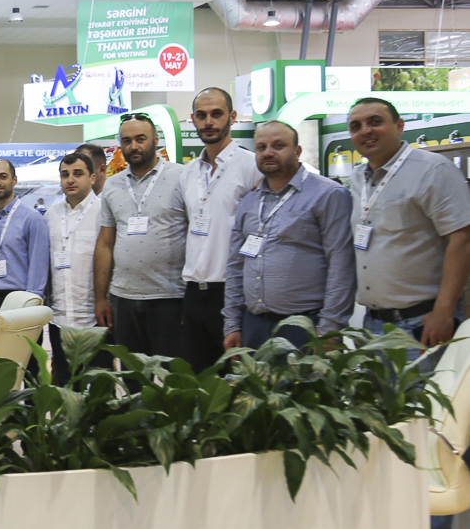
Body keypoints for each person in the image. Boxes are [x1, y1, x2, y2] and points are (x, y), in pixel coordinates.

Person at [347, 97, 470, 355]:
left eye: (375, 122)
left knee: (424, 384)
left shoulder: (433, 170)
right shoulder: (357, 178)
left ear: (399, 126)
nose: (365, 131)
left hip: (421, 323)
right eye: (356, 126)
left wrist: (444, 312)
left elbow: (462, 239)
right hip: (373, 324)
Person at [223, 121, 356, 351]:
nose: (268, 153)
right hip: (253, 326)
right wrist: (232, 324)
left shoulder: (328, 194)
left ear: (297, 151)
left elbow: (341, 265)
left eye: (278, 145)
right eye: (261, 147)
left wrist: (330, 330)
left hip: (306, 327)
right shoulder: (249, 201)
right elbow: (236, 266)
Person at [94, 114, 188, 358]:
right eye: (126, 141)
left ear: (156, 140)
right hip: (123, 298)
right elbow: (105, 244)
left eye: (140, 139)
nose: (133, 146)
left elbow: (195, 237)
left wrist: (192, 298)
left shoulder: (182, 176)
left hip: (170, 298)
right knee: (132, 374)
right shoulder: (112, 185)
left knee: (172, 375)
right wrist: (101, 298)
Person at [180, 88, 261, 370]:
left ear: (232, 117)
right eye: (201, 115)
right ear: (193, 119)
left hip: (231, 292)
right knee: (201, 382)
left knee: (237, 380)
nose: (209, 122)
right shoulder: (188, 173)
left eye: (216, 114)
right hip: (194, 293)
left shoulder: (251, 165)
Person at [0, 159, 49, 348]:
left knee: (26, 363)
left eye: (3, 176)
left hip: (21, 303)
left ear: (14, 180)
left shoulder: (32, 218)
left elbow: (38, 267)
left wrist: (31, 308)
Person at [44, 152, 107, 384]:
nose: (70, 180)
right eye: (65, 175)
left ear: (92, 178)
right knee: (65, 386)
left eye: (77, 174)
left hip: (94, 319)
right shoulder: (50, 215)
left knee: (99, 389)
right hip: (59, 319)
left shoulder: (104, 212)